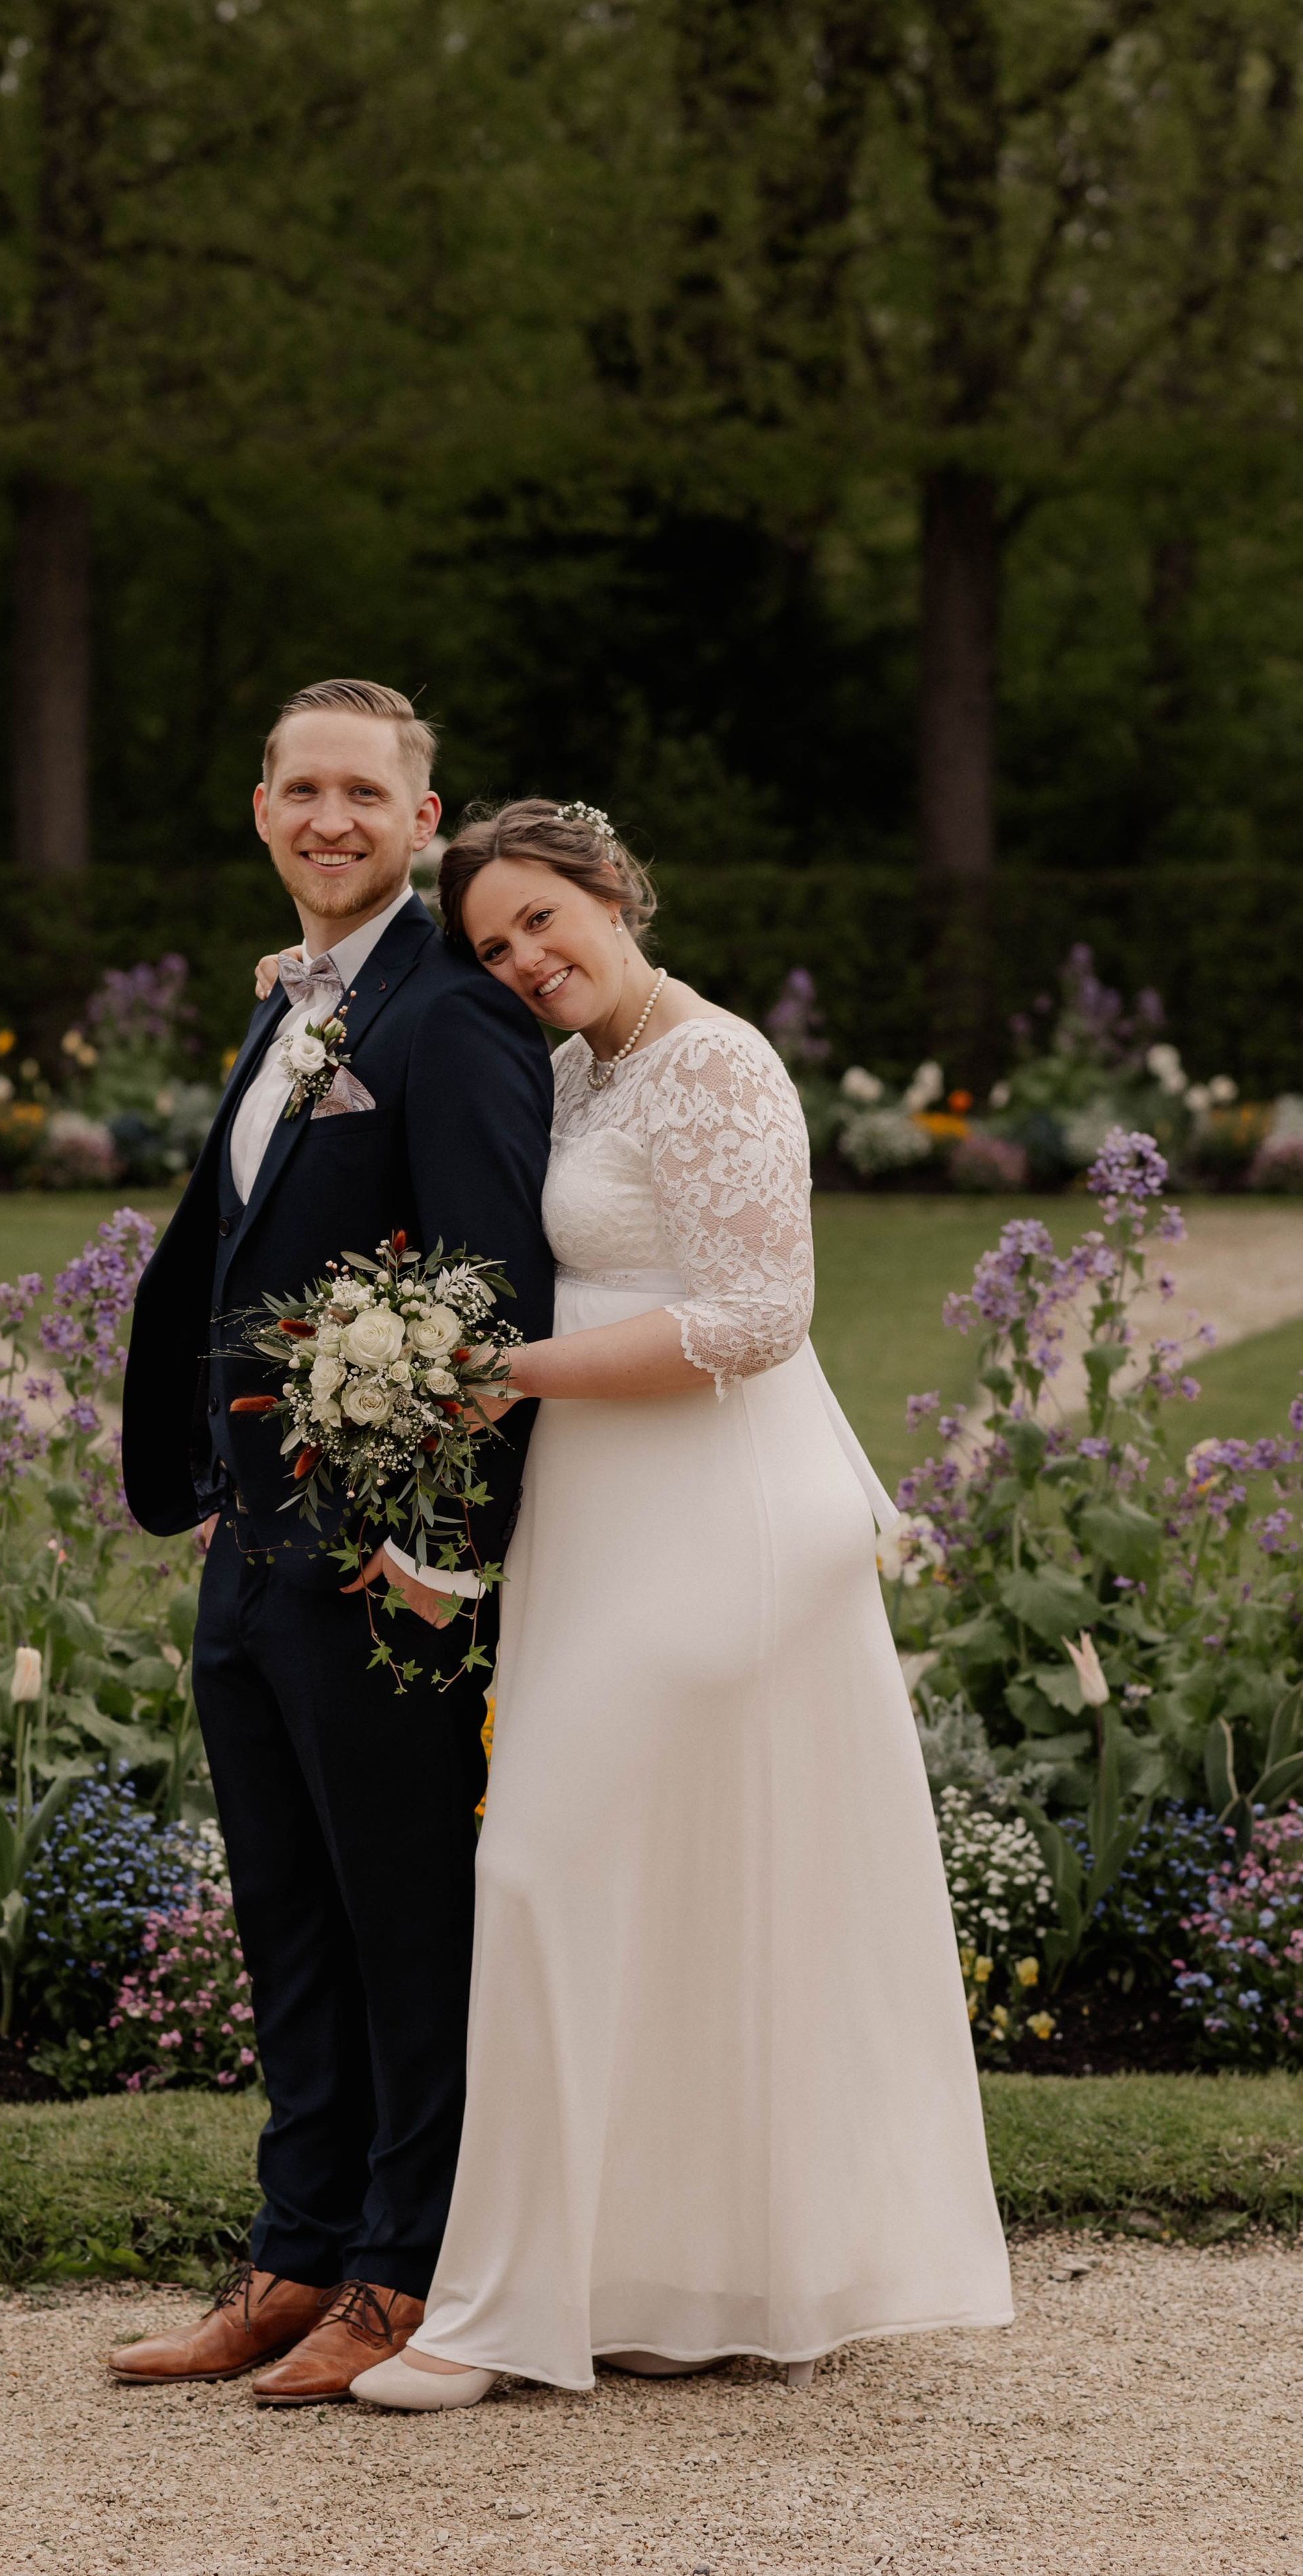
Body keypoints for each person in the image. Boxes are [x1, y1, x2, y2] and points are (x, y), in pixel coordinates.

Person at [339, 797, 1014, 2411]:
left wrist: (496, 1376)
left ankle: (490, 2315)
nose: (521, 960)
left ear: (612, 890)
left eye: (541, 923)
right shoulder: (584, 1067)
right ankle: (662, 2282)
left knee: (545, 1862)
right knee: (660, 1889)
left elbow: (761, 1313)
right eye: (493, 945)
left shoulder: (716, 1063)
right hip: (606, 1512)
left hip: (718, 1509)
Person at [108, 685, 554, 2404]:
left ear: (421, 821)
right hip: (254, 1549)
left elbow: (493, 1298)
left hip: (384, 1573)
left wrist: (441, 1556)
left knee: (401, 1925)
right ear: (258, 808)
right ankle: (292, 2256)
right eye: (301, 788)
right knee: (287, 1919)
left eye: (363, 792)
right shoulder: (295, 1002)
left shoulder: (446, 1021)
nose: (329, 817)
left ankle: (401, 2269)